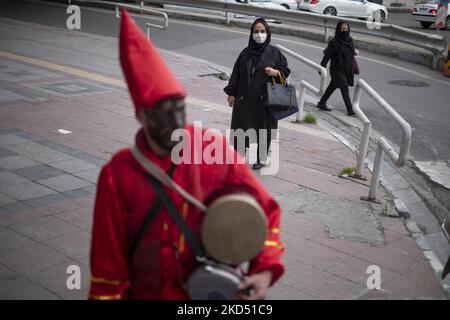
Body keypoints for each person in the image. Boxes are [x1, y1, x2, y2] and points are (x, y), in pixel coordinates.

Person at [89, 10, 284, 300]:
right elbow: (108, 271)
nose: (176, 123)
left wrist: (265, 269)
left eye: (180, 109)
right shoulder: (117, 175)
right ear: (141, 116)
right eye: (164, 114)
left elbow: (265, 209)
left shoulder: (212, 149)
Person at [224, 18, 290, 170]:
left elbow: (285, 70)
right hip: (244, 98)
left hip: (265, 99)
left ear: (267, 33)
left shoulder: (274, 53)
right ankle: (238, 155)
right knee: (241, 126)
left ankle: (261, 158)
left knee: (264, 128)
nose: (259, 35)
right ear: (251, 34)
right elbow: (236, 73)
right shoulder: (245, 53)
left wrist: (275, 72)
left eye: (262, 31)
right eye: (256, 32)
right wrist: (231, 93)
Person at [317, 20, 358, 116]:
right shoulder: (334, 42)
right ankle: (350, 109)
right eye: (343, 29)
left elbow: (351, 53)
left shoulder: (350, 40)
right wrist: (322, 67)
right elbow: (327, 56)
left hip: (347, 68)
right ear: (338, 29)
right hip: (336, 69)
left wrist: (354, 52)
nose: (345, 31)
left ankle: (322, 103)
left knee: (333, 85)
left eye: (346, 29)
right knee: (344, 86)